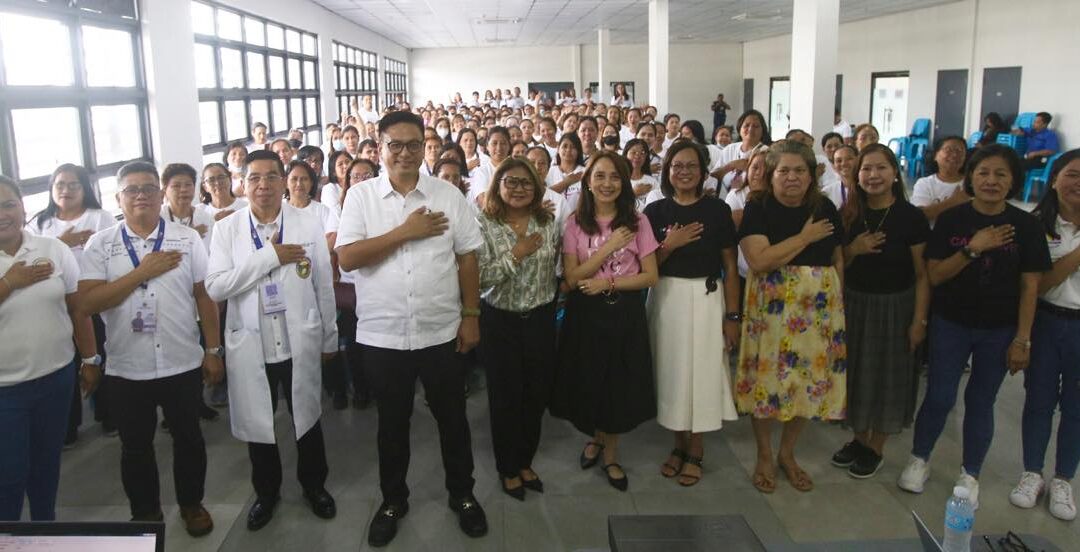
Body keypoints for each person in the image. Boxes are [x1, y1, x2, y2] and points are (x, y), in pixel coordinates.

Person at [335, 111, 488, 547]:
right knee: (392, 424)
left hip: (441, 330)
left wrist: (472, 316)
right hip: (383, 335)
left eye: (413, 145)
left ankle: (462, 495)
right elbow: (347, 258)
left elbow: (468, 257)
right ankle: (392, 501)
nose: (404, 153)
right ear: (378, 148)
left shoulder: (447, 194)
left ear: (425, 147)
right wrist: (405, 231)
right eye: (394, 145)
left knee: (453, 420)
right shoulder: (361, 198)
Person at [898, 145, 1052, 509]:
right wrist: (972, 249)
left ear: (1013, 181)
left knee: (982, 400)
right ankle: (920, 458)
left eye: (1001, 174)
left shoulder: (1026, 225)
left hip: (998, 330)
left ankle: (971, 473)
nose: (991, 181)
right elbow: (934, 275)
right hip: (950, 323)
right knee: (939, 395)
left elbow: (1031, 286)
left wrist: (1023, 340)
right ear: (971, 177)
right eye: (983, 173)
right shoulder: (953, 219)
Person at [78, 161, 222, 536]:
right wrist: (142, 272)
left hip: (181, 360)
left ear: (161, 194)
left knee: (189, 439)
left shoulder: (186, 238)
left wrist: (213, 349)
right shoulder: (101, 244)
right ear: (118, 198)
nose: (140, 195)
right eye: (131, 190)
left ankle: (192, 504)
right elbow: (89, 304)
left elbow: (203, 297)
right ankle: (145, 513)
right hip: (128, 367)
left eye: (147, 188)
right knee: (135, 447)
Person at [205, 150, 338, 531]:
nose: (263, 186)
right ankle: (266, 493)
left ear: (284, 181)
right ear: (242, 185)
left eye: (271, 177)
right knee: (258, 423)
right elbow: (216, 287)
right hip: (252, 343)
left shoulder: (307, 222)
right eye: (254, 179)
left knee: (307, 418)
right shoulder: (227, 229)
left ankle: (315, 486)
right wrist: (269, 257)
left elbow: (322, 284)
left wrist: (329, 336)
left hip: (299, 337)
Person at [736, 142, 847, 494]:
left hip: (817, 308)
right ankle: (765, 455)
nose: (792, 177)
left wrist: (835, 296)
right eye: (783, 171)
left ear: (811, 174)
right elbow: (761, 260)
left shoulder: (825, 206)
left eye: (799, 170)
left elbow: (836, 256)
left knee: (808, 379)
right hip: (771, 307)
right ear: (771, 175)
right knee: (766, 382)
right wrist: (805, 237)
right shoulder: (758, 207)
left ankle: (788, 453)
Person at [550, 151, 660, 492]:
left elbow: (650, 276)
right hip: (585, 314)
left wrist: (607, 283)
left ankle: (611, 453)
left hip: (623, 311)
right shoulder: (573, 223)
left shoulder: (638, 221)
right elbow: (570, 278)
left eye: (615, 176)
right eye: (600, 176)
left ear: (624, 182)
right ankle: (595, 438)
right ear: (587, 181)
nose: (607, 183)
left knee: (618, 383)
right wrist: (609, 246)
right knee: (590, 380)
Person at [0, 175, 100, 521]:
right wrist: (9, 283)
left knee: (46, 465)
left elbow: (77, 307)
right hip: (5, 390)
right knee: (8, 474)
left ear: (23, 207)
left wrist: (90, 358)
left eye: (8, 204)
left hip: (56, 378)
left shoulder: (51, 249)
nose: (2, 214)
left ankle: (45, 529)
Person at [830, 145, 931, 479]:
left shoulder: (911, 217)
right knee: (857, 373)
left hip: (895, 306)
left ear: (894, 173)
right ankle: (859, 439)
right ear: (856, 176)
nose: (873, 176)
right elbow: (837, 262)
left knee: (890, 375)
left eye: (880, 168)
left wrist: (919, 321)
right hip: (855, 304)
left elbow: (922, 275)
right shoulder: (848, 213)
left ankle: (876, 447)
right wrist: (854, 249)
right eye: (866, 170)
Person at [644, 141, 740, 487]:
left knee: (702, 373)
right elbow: (647, 266)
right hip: (667, 297)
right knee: (672, 372)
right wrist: (670, 245)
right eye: (677, 166)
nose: (683, 172)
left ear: (702, 171)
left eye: (691, 166)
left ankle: (696, 449)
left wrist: (733, 317)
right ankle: (678, 444)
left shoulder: (717, 211)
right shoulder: (655, 212)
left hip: (707, 296)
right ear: (667, 170)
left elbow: (730, 263)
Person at [476, 158, 560, 501]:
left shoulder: (548, 221)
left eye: (526, 182)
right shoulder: (484, 223)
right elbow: (481, 277)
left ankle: (525, 461)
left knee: (536, 395)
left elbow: (556, 267)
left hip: (540, 319)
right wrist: (518, 252)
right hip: (501, 322)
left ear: (537, 187)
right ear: (498, 186)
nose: (519, 189)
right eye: (511, 182)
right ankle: (507, 467)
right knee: (505, 397)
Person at [1012, 149, 1080, 521]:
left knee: (1076, 408)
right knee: (1038, 400)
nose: (1078, 183)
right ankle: (1032, 472)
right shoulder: (1036, 225)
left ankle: (1063, 478)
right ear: (1054, 179)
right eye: (1072, 174)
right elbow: (1038, 285)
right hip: (1047, 321)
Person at [27, 164, 116, 443]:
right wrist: (61, 243)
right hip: (55, 305)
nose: (65, 190)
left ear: (85, 188)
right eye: (59, 185)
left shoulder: (100, 218)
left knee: (100, 354)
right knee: (66, 363)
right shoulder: (40, 224)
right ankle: (68, 426)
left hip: (92, 301)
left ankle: (108, 414)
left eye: (73, 185)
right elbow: (28, 263)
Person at [911, 136, 969, 227]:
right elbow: (918, 216)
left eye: (959, 151)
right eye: (948, 150)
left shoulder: (972, 183)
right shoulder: (925, 184)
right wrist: (954, 201)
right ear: (935, 155)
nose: (954, 155)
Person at [712, 110, 772, 195]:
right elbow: (713, 175)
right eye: (746, 125)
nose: (750, 129)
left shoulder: (766, 153)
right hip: (725, 201)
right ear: (739, 129)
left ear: (763, 131)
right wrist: (731, 165)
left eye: (756, 126)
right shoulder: (730, 149)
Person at [161, 164, 215, 251]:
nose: (183, 189)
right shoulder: (157, 217)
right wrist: (192, 235)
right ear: (165, 190)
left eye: (188, 185)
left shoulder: (206, 219)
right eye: (176, 186)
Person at [548, 132, 587, 210]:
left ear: (579, 151)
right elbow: (543, 195)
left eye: (573, 147)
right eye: (565, 146)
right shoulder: (550, 171)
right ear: (558, 149)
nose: (568, 150)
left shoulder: (585, 172)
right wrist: (566, 182)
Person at [623, 138, 657, 212]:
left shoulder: (652, 181)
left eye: (642, 153)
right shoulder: (620, 180)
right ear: (626, 154)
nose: (637, 156)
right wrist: (633, 193)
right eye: (633, 152)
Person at [823, 145, 858, 209]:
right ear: (834, 166)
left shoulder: (867, 188)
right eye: (839, 161)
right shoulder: (827, 192)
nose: (844, 163)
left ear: (858, 160)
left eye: (849, 159)